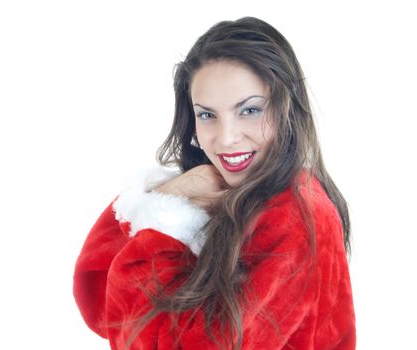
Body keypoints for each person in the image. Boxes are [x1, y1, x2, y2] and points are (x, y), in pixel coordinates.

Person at [73, 16, 356, 349]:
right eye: (207, 115)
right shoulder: (218, 192)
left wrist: (163, 222)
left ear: (286, 109)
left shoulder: (294, 214)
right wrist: (169, 196)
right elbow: (98, 299)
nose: (226, 138)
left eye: (249, 110)